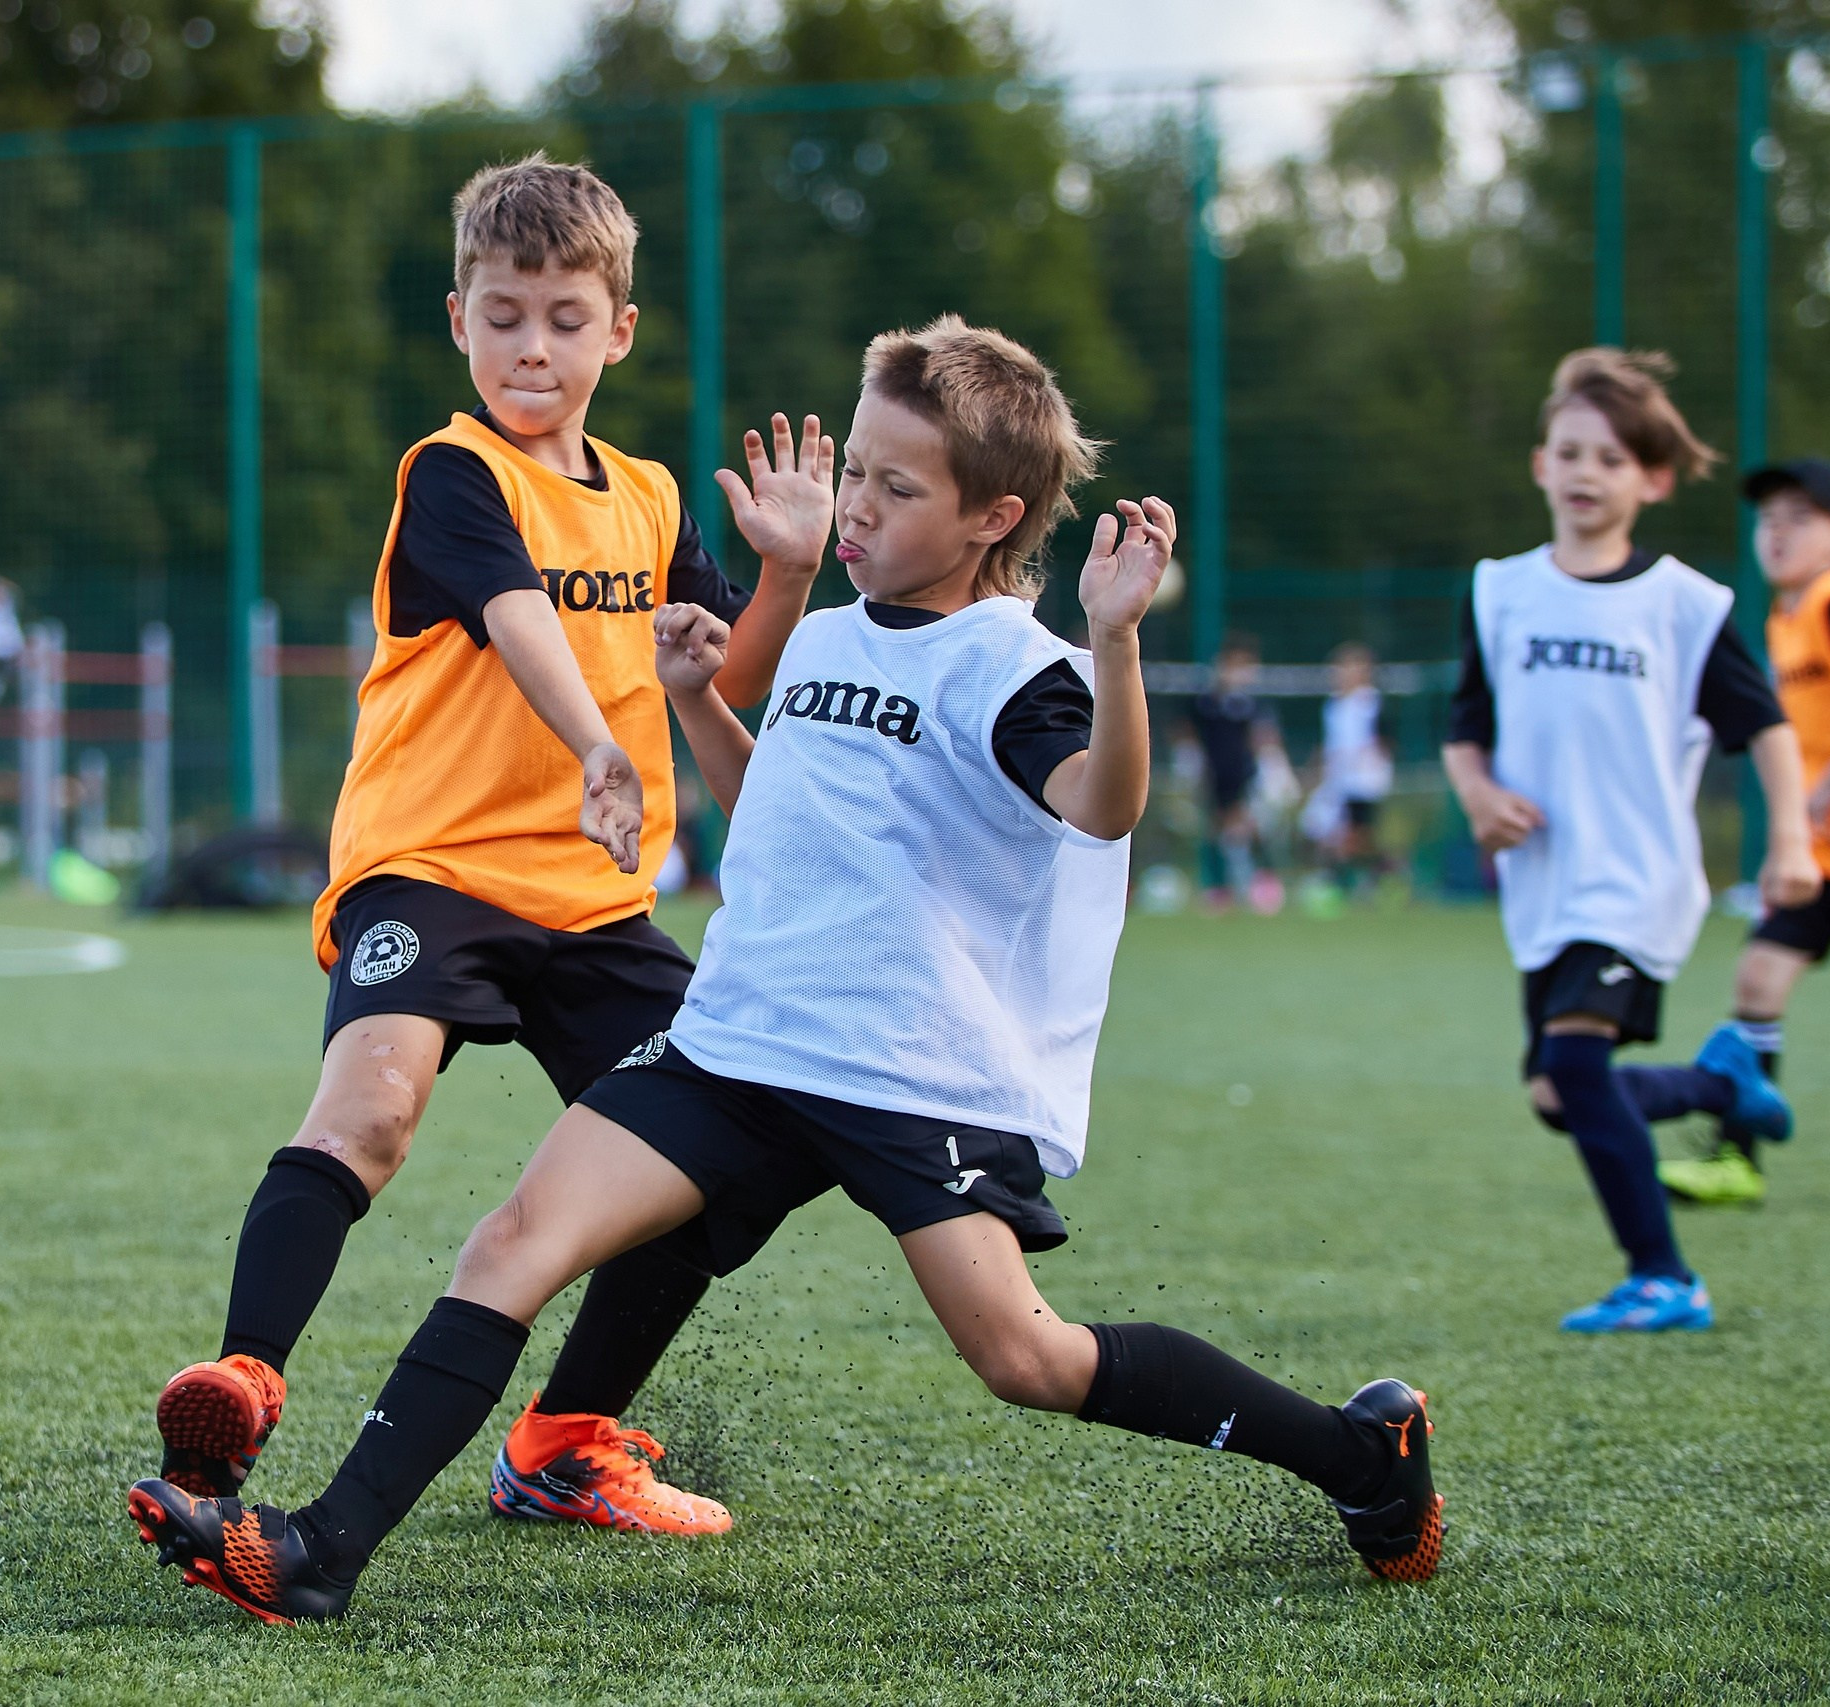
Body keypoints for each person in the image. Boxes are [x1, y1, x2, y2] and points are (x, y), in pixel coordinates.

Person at [126, 317, 1443, 1623]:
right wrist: (697, 698)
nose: (855, 505)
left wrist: (1115, 639)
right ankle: (319, 1548)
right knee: (513, 1241)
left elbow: (1104, 805)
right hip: (740, 1041)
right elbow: (780, 815)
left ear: (992, 516)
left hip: (909, 1072)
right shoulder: (824, 635)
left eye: (896, 488)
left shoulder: (1020, 673)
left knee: (1024, 1356)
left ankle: (1358, 1456)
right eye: (856, 468)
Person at [145, 157, 833, 1537]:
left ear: (617, 332)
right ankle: (240, 1387)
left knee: (729, 1148)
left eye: (565, 319)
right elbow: (519, 616)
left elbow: (727, 670)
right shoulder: (453, 472)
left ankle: (565, 1446)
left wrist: (790, 569)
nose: (532, 346)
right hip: (434, 869)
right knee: (372, 1111)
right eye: (503, 314)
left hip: (594, 903)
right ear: (458, 319)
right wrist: (596, 746)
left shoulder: (649, 499)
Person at [1440, 348, 1817, 1334]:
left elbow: (1766, 727)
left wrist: (1790, 840)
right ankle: (1719, 1080)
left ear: (1653, 478)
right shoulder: (1500, 591)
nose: (1585, 472)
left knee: (1574, 1069)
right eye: (1569, 452)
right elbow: (1464, 728)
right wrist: (1479, 795)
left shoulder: (1684, 605)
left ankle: (1664, 1277)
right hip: (1545, 885)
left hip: (1635, 879)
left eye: (1611, 458)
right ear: (1539, 464)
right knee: (1556, 1093)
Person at [1662, 458, 1830, 1206]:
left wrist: (1827, 785)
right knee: (1759, 977)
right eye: (1768, 519)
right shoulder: (1785, 619)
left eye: (1801, 518)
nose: (1779, 533)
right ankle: (1737, 1158)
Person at [1191, 634, 1283, 910]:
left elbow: (1265, 737)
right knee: (1220, 831)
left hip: (1247, 775)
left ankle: (1260, 884)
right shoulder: (1208, 703)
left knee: (1249, 828)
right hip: (1217, 775)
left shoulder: (1254, 704)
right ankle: (1222, 887)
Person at [1304, 640, 1394, 891]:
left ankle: (1385, 871)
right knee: (1327, 832)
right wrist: (1316, 771)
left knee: (1357, 836)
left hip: (1364, 781)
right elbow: (1330, 744)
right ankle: (1350, 878)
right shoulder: (1333, 706)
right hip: (1338, 780)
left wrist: (1372, 763)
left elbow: (1385, 741)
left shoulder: (1371, 703)